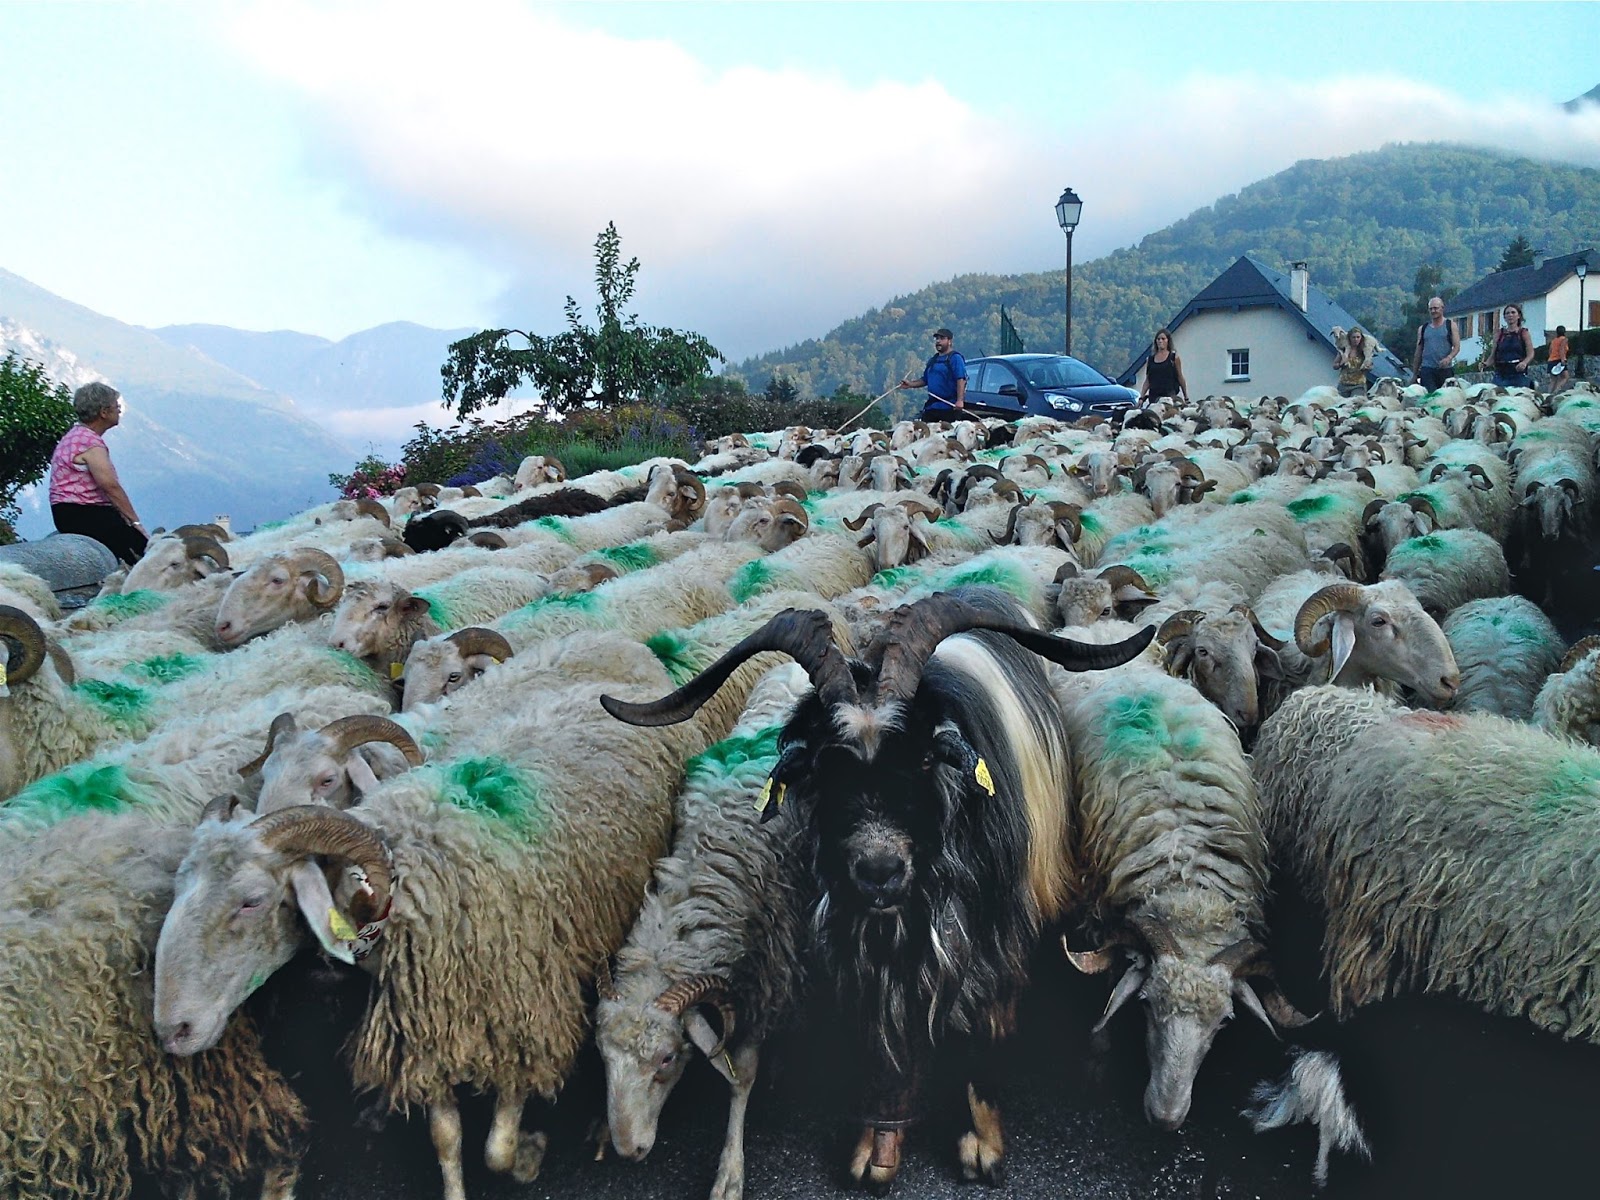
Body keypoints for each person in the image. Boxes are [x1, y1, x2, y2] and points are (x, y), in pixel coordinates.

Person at [49, 381, 148, 566]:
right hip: (86, 513)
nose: (119, 410)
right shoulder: (90, 442)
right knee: (143, 555)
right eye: (116, 406)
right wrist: (136, 523)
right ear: (103, 412)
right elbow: (109, 485)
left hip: (64, 512)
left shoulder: (73, 436)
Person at [898, 328, 972, 421]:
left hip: (949, 408)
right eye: (937, 338)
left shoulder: (955, 358)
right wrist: (910, 384)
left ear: (949, 341)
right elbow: (925, 380)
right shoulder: (933, 360)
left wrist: (960, 401)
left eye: (942, 338)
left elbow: (961, 379)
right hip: (932, 407)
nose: (938, 341)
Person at [1411, 297, 1459, 391]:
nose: (1433, 311)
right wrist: (1415, 374)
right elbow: (1418, 352)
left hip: (1445, 370)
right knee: (1430, 396)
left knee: (1446, 396)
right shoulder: (1423, 329)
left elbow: (1457, 347)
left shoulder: (1450, 325)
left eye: (1436, 308)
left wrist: (1448, 358)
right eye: (1431, 309)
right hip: (1427, 370)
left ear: (1442, 308)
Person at [1137, 328, 1188, 404]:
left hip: (1170, 397)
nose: (1160, 341)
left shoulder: (1174, 358)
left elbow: (1180, 377)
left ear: (1168, 341)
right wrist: (1141, 398)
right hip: (1154, 398)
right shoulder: (1150, 360)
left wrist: (1186, 397)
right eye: (1158, 339)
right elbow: (1148, 380)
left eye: (1163, 339)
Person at [1491, 303, 1535, 390]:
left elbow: (1530, 353)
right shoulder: (1499, 334)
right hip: (1501, 374)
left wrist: (1524, 363)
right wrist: (1485, 364)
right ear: (1504, 317)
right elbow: (1493, 356)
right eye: (1507, 313)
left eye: (1513, 312)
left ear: (1518, 316)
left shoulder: (1523, 333)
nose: (1510, 315)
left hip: (1518, 373)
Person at [1333, 327, 1375, 399]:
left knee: (1355, 402)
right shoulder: (1343, 350)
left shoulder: (1365, 351)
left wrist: (1368, 367)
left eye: (1358, 337)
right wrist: (1340, 364)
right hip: (1344, 384)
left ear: (1361, 338)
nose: (1356, 339)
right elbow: (1334, 365)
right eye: (1353, 337)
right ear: (1349, 338)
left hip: (1358, 385)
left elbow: (1370, 365)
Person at [1548, 324, 1571, 395]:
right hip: (1559, 360)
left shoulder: (1554, 340)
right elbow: (1562, 349)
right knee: (1565, 377)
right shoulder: (1564, 339)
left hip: (1551, 360)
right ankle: (1556, 391)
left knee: (1553, 380)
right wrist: (1563, 359)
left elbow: (1550, 350)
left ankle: (1548, 394)